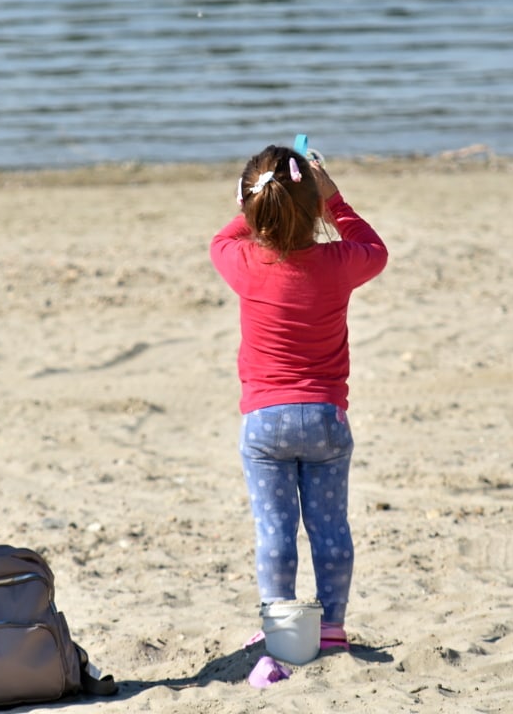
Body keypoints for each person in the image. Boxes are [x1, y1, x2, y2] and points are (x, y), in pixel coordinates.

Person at [210, 145, 388, 651]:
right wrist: (333, 199)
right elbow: (375, 248)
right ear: (313, 210)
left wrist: (258, 203)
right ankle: (330, 626)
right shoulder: (339, 261)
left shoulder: (242, 260)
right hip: (327, 420)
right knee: (330, 527)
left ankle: (282, 625)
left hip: (266, 421)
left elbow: (224, 236)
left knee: (275, 530)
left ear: (252, 208)